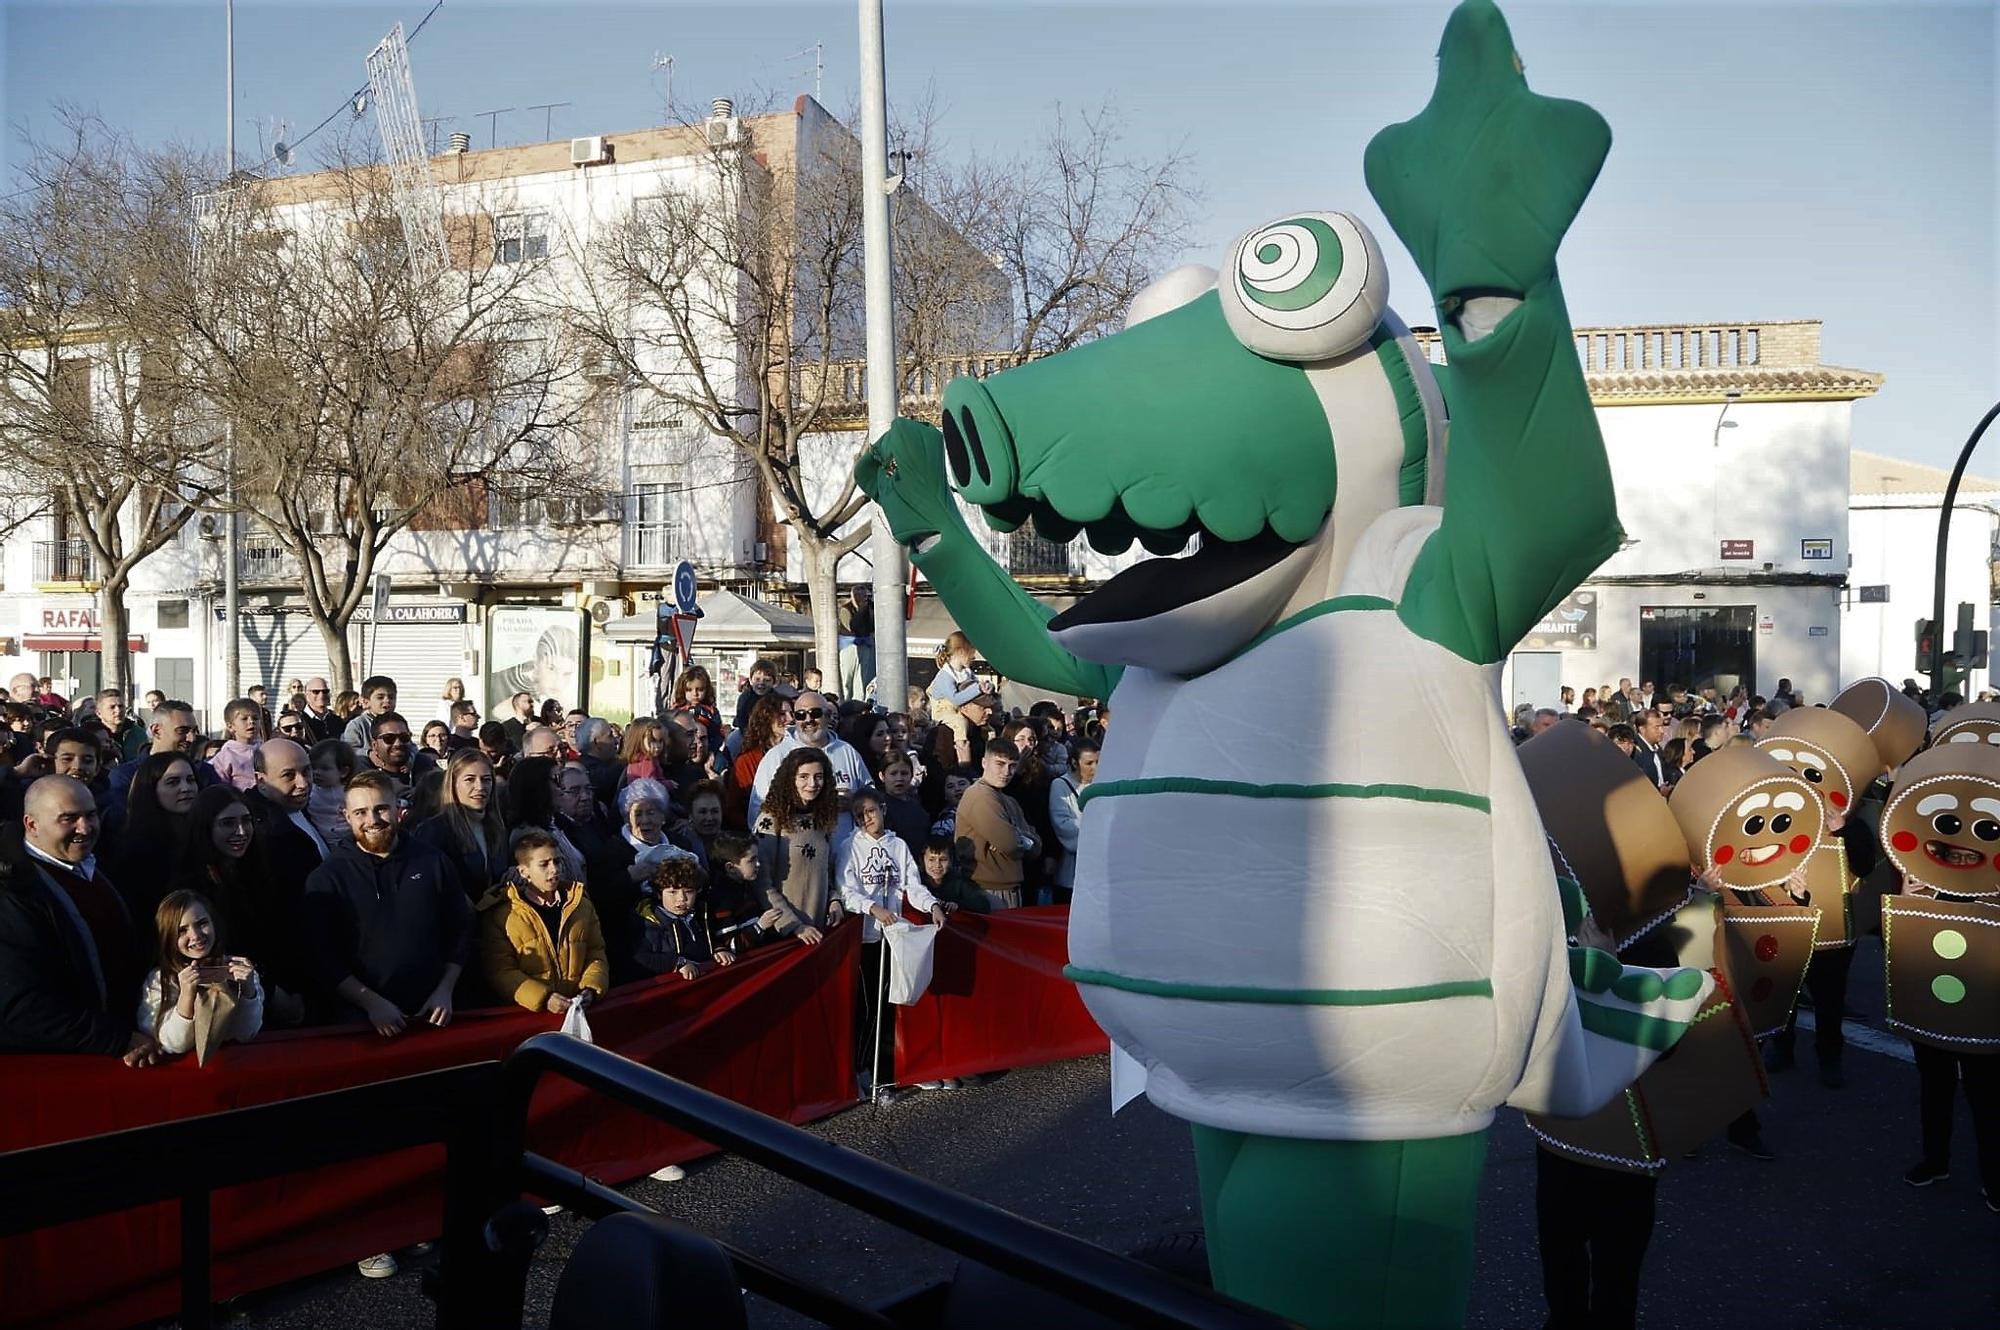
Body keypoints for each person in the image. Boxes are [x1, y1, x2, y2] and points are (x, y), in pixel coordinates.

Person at [0, 776, 156, 1063]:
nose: (85, 828)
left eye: (91, 815)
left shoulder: (93, 866)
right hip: (63, 1068)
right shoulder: (14, 893)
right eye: (68, 818)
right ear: (31, 824)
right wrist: (115, 1040)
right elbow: (23, 1005)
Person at [839, 789, 949, 1099]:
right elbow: (846, 891)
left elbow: (912, 885)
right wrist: (872, 908)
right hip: (867, 938)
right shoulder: (850, 847)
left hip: (895, 937)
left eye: (871, 811)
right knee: (869, 1008)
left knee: (894, 1006)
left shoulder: (898, 846)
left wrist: (932, 906)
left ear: (883, 809)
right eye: (859, 814)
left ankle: (890, 1071)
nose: (866, 818)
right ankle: (863, 1071)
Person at [477, 828, 610, 1013]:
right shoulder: (503, 916)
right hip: (529, 1016)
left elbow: (596, 952)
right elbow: (501, 971)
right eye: (544, 864)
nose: (554, 869)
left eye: (557, 861)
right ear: (523, 871)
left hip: (579, 1009)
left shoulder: (581, 905)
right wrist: (543, 998)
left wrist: (590, 987)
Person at [241, 738, 326, 1017]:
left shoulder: (298, 810)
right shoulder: (261, 834)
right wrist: (279, 989)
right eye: (289, 775)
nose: (303, 783)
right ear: (260, 780)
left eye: (307, 771)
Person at [136, 889, 264, 1057]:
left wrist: (248, 992)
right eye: (182, 930)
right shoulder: (160, 980)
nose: (195, 935)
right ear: (168, 936)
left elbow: (246, 1033)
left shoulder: (237, 969)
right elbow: (173, 1044)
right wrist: (186, 997)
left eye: (202, 923)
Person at [752, 747, 842, 944]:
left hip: (817, 930)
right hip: (783, 934)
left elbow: (825, 871)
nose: (812, 784)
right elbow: (761, 881)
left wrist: (834, 900)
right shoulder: (770, 820)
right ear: (790, 779)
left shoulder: (822, 819)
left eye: (818, 777)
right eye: (803, 776)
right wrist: (794, 925)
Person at [748, 691, 871, 828]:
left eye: (815, 713)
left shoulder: (847, 752)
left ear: (828, 716)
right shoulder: (777, 755)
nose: (808, 720)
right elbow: (758, 808)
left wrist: (854, 801)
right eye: (801, 715)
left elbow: (870, 795)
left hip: (846, 845)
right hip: (794, 844)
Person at [106, 752, 201, 919]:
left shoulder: (202, 833)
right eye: (173, 782)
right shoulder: (135, 849)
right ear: (151, 789)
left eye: (191, 780)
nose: (186, 788)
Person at [407, 750, 508, 900]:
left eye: (486, 779)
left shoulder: (497, 827)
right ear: (453, 784)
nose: (480, 787)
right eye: (470, 779)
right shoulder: (434, 830)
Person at [954, 740, 1037, 910]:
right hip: (987, 890)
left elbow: (1036, 847)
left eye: (1012, 765)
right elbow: (1010, 844)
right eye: (1000, 764)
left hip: (1009, 887)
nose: (1006, 772)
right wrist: (1020, 839)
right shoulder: (979, 795)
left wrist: (1020, 839)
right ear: (984, 763)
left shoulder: (1009, 800)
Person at [102, 699, 206, 830]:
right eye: (182, 731)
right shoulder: (125, 776)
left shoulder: (205, 772)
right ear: (156, 731)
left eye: (194, 731)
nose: (191, 738)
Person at [631, 854, 737, 980]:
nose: (682, 899)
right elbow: (641, 957)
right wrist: (678, 963)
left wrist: (718, 949)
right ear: (659, 893)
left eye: (688, 891)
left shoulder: (702, 914)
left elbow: (710, 939)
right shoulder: (649, 922)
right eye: (672, 892)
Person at [727, 692, 791, 829]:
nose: (790, 719)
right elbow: (734, 808)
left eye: (792, 713)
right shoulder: (747, 761)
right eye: (782, 714)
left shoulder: (799, 753)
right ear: (766, 718)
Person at [1050, 739, 1097, 904]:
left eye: (1098, 762)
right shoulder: (1060, 785)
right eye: (1089, 763)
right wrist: (1096, 828)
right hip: (1071, 873)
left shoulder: (1099, 784)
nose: (1095, 768)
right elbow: (1063, 824)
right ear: (1074, 763)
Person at [917, 835, 991, 915]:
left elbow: (983, 905)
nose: (937, 865)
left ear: (951, 860)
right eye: (931, 859)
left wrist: (958, 905)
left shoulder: (957, 882)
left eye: (943, 859)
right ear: (922, 860)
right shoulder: (916, 881)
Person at [305, 739, 357, 848]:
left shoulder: (349, 793)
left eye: (325, 768)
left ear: (343, 772)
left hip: (345, 839)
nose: (316, 773)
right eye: (313, 767)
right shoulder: (310, 790)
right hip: (319, 838)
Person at [208, 698, 263, 793]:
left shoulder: (266, 749)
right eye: (244, 719)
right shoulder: (226, 755)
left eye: (255, 718)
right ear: (230, 726)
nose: (251, 722)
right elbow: (219, 787)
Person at [671, 665, 727, 755]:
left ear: (707, 689)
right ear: (682, 690)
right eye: (689, 690)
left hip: (706, 751)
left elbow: (718, 735)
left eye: (700, 689)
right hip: (683, 753)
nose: (695, 694)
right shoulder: (677, 711)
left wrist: (711, 751)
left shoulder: (711, 711)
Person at [837, 584, 876, 702]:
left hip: (866, 643)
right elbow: (851, 627)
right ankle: (845, 700)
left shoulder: (870, 607)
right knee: (847, 677)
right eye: (859, 595)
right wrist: (861, 611)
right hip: (850, 645)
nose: (863, 598)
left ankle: (860, 700)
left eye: (864, 595)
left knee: (863, 677)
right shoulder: (846, 609)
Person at [341, 675, 398, 757]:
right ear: (366, 701)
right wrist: (368, 753)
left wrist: (409, 760)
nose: (387, 701)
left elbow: (411, 746)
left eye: (391, 697)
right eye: (380, 697)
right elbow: (350, 749)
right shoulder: (357, 725)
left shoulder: (398, 723)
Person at [620, 717, 673, 790]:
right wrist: (668, 784)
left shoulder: (636, 759)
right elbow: (650, 784)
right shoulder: (647, 761)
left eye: (660, 741)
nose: (657, 746)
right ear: (639, 740)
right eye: (652, 741)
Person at [95, 689, 146, 761]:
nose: (118, 710)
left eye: (121, 706)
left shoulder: (138, 734)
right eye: (112, 707)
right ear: (99, 713)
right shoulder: (92, 735)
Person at [732, 658, 781, 733]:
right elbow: (742, 721)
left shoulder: (777, 699)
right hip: (748, 733)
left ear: (774, 682)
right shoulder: (745, 698)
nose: (761, 683)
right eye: (757, 679)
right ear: (751, 681)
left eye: (767, 680)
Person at [298, 678, 341, 743]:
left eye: (325, 691)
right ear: (306, 695)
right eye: (316, 692)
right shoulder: (299, 721)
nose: (321, 695)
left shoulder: (337, 720)